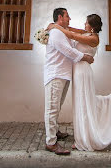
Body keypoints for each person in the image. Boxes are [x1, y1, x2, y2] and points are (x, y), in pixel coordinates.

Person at [47, 14, 111, 152]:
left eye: (86, 22)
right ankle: (82, 136)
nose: (84, 24)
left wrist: (55, 26)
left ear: (92, 26)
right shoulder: (86, 33)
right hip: (77, 71)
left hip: (83, 72)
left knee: (84, 103)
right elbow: (72, 29)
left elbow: (72, 35)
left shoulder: (93, 38)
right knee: (83, 103)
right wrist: (58, 26)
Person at [44, 8, 94, 155]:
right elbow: (68, 51)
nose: (70, 18)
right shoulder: (56, 33)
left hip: (63, 74)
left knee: (57, 106)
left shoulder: (62, 31)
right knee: (52, 108)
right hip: (55, 74)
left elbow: (73, 41)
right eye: (67, 16)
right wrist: (86, 57)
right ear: (60, 17)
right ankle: (51, 142)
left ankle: (55, 131)